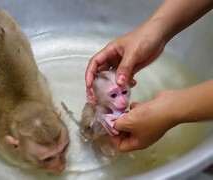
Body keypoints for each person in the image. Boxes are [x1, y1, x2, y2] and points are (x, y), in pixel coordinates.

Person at [85, 0, 213, 152]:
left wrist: (168, 111)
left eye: (125, 92)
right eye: (113, 95)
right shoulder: (95, 112)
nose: (123, 101)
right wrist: (157, 28)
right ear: (94, 97)